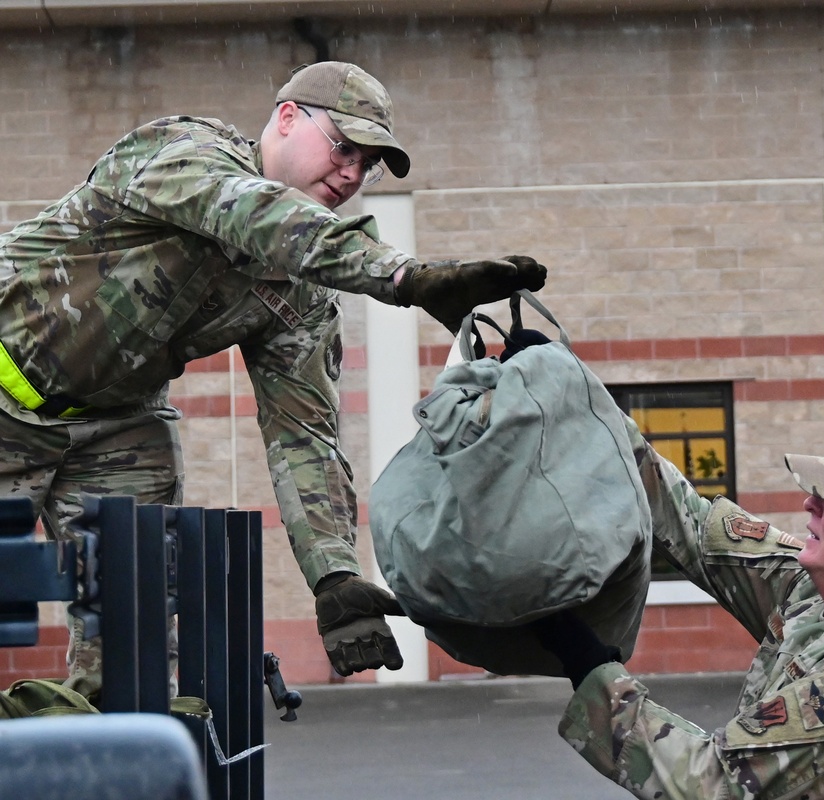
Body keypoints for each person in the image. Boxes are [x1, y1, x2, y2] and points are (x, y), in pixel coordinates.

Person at [0, 60, 546, 693]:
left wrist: (335, 577)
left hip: (120, 427)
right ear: (287, 119)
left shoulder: (301, 295)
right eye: (344, 147)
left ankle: (118, 768)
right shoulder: (182, 154)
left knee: (139, 637)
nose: (351, 173)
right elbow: (258, 217)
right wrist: (407, 279)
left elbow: (303, 435)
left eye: (367, 164)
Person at [531, 431, 824, 799]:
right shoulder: (816, 592)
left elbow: (712, 782)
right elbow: (694, 526)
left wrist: (592, 670)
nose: (810, 504)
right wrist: (590, 416)